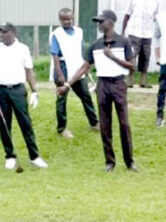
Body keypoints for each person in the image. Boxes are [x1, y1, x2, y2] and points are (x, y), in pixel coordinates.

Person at [57, 10, 138, 173]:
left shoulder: (124, 42)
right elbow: (84, 68)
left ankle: (129, 161)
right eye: (98, 22)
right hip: (103, 85)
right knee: (105, 124)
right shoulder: (95, 45)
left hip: (118, 83)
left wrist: (112, 57)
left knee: (124, 123)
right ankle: (110, 161)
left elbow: (132, 66)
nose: (99, 25)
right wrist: (67, 85)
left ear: (111, 22)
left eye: (102, 21)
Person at [0, 23, 48, 170]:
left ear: (13, 33)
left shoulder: (22, 49)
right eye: (0, 32)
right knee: (4, 124)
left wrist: (34, 90)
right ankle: (10, 155)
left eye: (4, 32)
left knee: (25, 123)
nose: (1, 35)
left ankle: (34, 156)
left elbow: (29, 71)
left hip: (17, 89)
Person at [50, 8, 99, 139]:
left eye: (69, 19)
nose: (66, 21)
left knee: (86, 97)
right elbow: (55, 56)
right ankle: (62, 129)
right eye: (63, 19)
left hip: (77, 68)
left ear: (73, 18)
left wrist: (85, 64)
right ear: (60, 20)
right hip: (63, 67)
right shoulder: (57, 34)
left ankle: (94, 123)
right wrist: (60, 75)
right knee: (62, 100)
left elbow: (81, 49)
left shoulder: (79, 31)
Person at [122, 0, 158, 88]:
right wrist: (123, 31)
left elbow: (155, 18)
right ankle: (129, 80)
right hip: (134, 32)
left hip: (147, 34)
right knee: (132, 56)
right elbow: (127, 14)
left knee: (145, 57)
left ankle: (143, 81)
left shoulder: (155, 3)